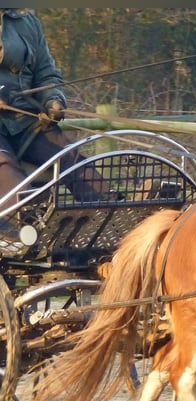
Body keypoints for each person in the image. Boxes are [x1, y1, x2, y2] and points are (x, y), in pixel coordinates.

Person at [0, 8, 112, 251]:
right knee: (6, 168)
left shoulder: (25, 20)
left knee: (70, 158)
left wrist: (54, 101)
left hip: (23, 120)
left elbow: (45, 73)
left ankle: (112, 220)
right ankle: (23, 240)